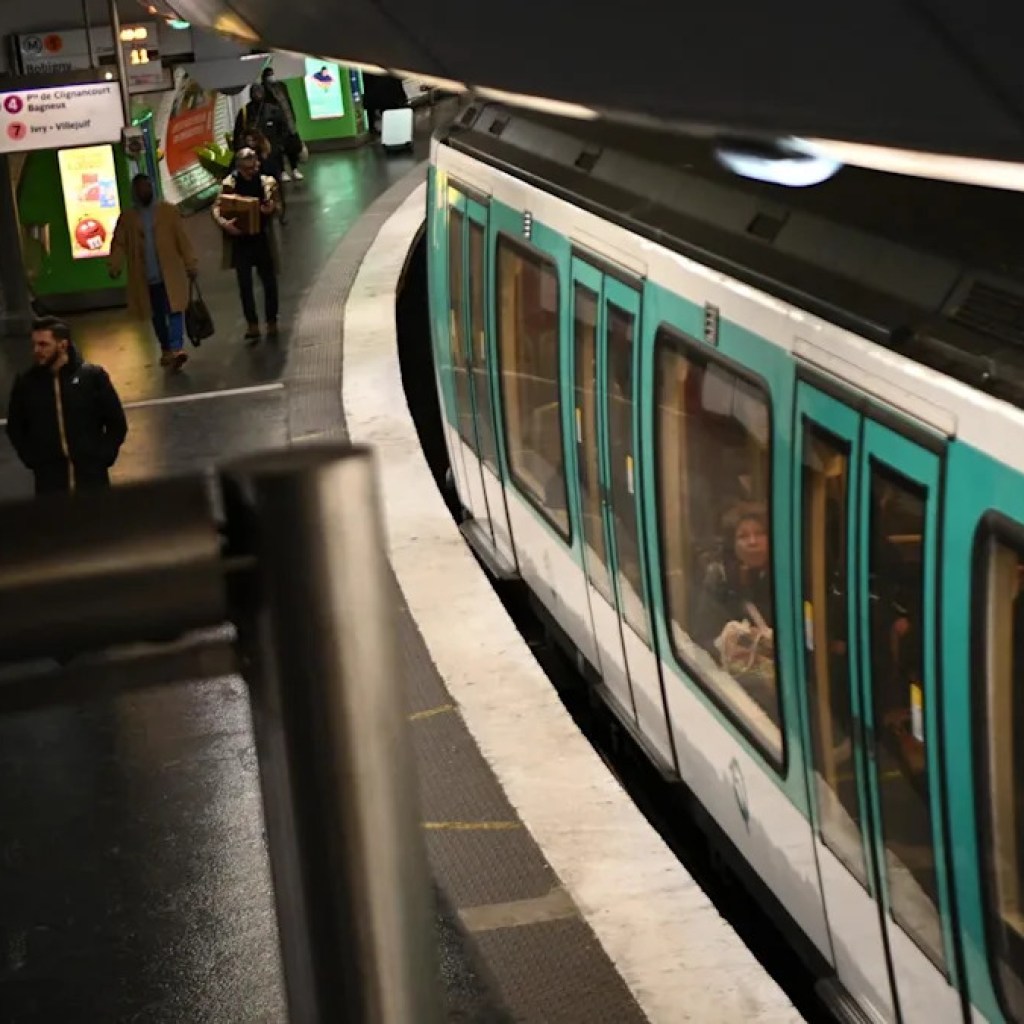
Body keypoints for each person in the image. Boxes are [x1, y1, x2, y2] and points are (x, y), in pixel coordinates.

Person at [6, 317, 127, 495]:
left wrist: (103, 457)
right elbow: (16, 428)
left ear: (62, 345)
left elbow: (116, 422)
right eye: (35, 344)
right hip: (49, 484)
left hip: (92, 480)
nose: (36, 350)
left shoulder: (93, 378)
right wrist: (34, 461)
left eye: (43, 344)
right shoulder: (26, 384)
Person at [108, 173, 198, 371]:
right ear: (134, 192)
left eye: (147, 186)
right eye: (140, 188)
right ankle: (166, 347)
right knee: (156, 314)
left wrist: (190, 263)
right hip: (146, 277)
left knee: (175, 309)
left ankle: (176, 348)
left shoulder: (168, 212)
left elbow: (181, 239)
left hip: (170, 273)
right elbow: (119, 243)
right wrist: (114, 265)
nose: (144, 191)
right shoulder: (128, 218)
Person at [213, 147, 280, 343]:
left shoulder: (266, 182)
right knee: (245, 284)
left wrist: (272, 209)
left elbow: (278, 205)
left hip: (261, 237)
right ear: (240, 167)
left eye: (254, 166)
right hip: (240, 241)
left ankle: (271, 320)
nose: (253, 171)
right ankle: (252, 323)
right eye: (248, 168)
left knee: (269, 281)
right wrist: (225, 224)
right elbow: (217, 208)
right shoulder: (229, 184)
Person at [260, 66, 304, 181]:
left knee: (292, 147)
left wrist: (293, 118)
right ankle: (283, 171)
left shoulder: (282, 86)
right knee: (278, 149)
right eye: (269, 75)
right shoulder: (264, 91)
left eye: (272, 74)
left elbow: (288, 103)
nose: (272, 77)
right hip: (276, 124)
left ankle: (294, 169)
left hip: (288, 120)